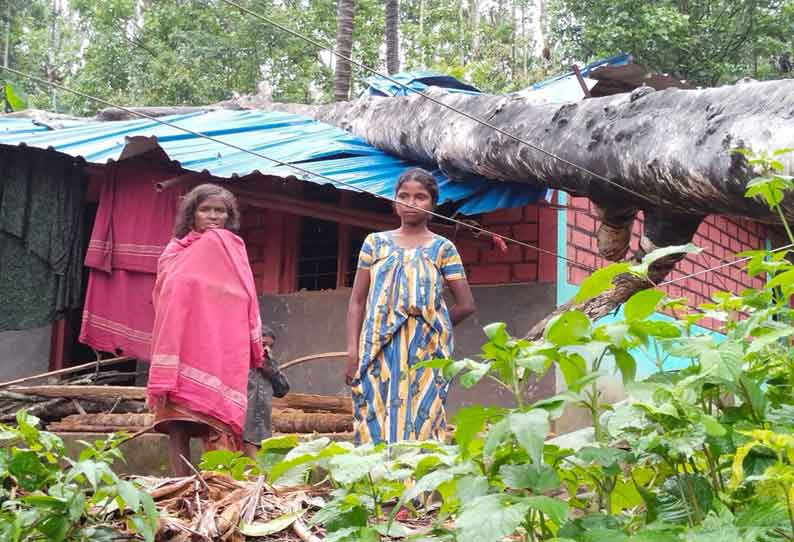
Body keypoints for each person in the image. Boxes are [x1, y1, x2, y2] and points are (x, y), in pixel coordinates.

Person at [345, 168, 476, 445]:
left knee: (424, 418)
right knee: (373, 416)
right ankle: (380, 487)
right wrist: (353, 350)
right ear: (394, 202)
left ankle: (419, 488)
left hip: (426, 351)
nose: (411, 203)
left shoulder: (443, 248)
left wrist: (432, 326)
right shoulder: (374, 243)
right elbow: (357, 301)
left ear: (432, 205)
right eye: (403, 196)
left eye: (420, 197)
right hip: (377, 349)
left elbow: (465, 305)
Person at [147, 183, 264, 476]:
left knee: (215, 427)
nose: (213, 217)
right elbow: (167, 293)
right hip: (181, 348)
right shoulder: (174, 251)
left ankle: (216, 487)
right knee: (178, 428)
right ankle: (181, 488)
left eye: (220, 211)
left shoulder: (232, 250)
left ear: (229, 216)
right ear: (192, 214)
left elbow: (243, 296)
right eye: (205, 210)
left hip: (216, 350)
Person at [243, 327, 276, 459]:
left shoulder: (269, 368)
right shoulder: (243, 366)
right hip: (246, 430)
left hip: (264, 429)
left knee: (262, 469)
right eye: (263, 345)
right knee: (252, 470)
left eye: (270, 346)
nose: (267, 350)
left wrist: (271, 369)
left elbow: (283, 389)